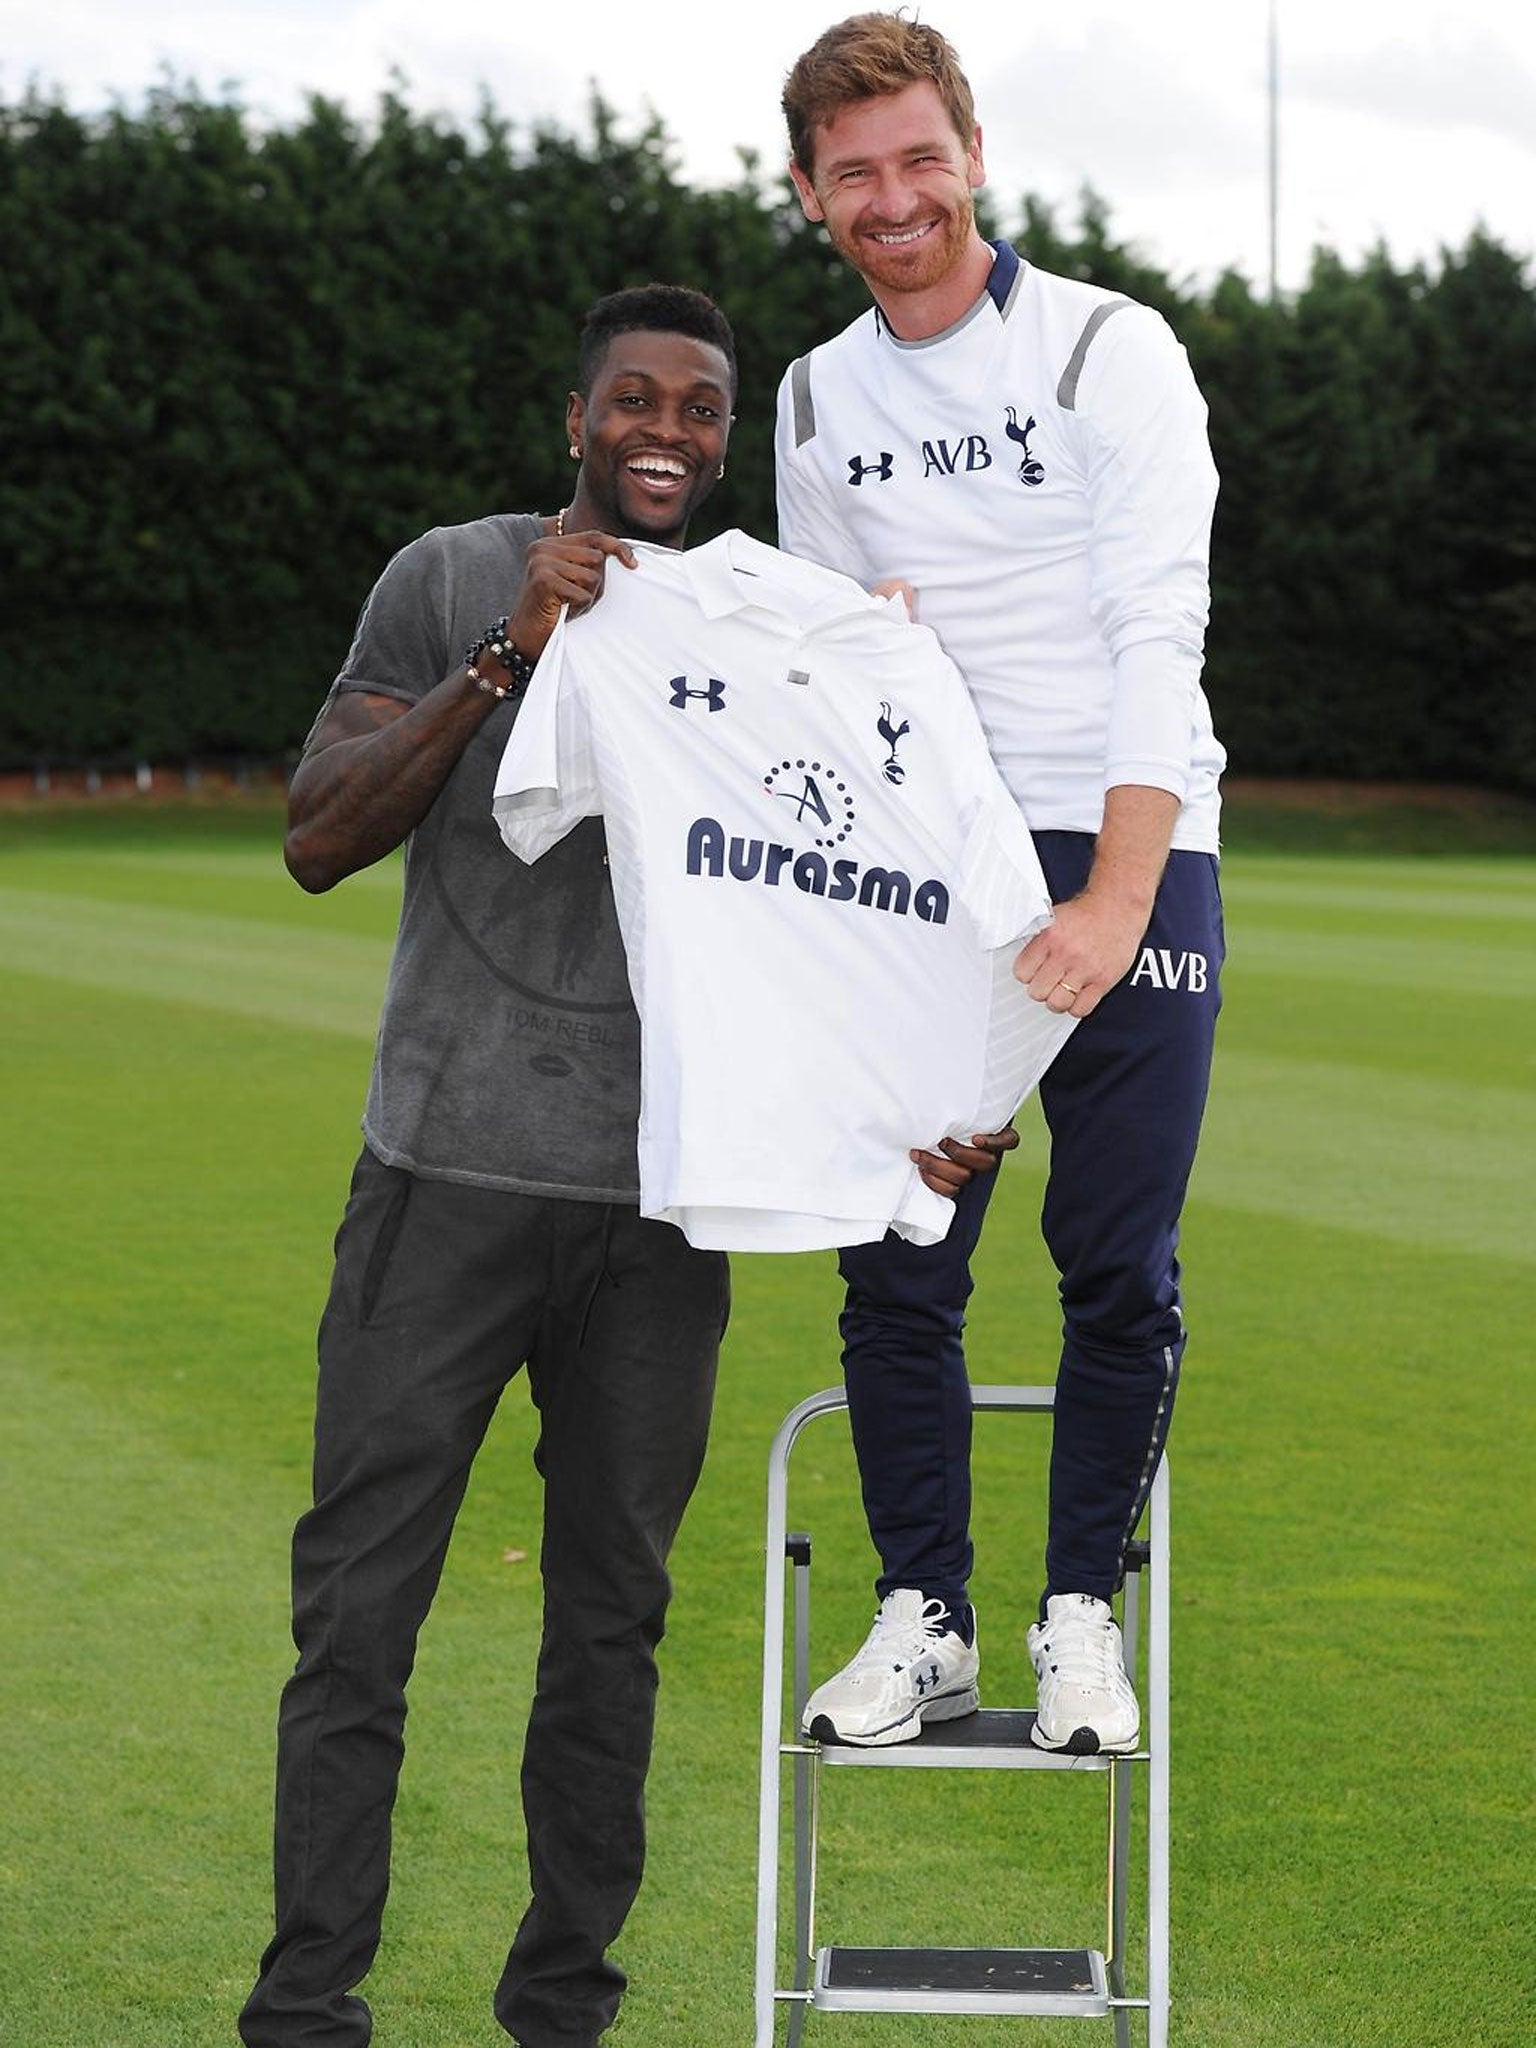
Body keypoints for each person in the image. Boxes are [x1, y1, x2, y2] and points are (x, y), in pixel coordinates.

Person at [239, 286, 741, 2048]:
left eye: (700, 408)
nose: (667, 430)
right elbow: (318, 834)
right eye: (636, 400)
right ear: (578, 419)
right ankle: (308, 2009)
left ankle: (563, 2012)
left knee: (612, 1627)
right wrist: (511, 649)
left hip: (661, 1212)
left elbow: (849, 906)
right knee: (358, 1618)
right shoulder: (452, 575)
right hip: (439, 1179)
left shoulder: (752, 629)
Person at [775, 13, 1226, 1755]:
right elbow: (839, 675)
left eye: (919, 158)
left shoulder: (1111, 347)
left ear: (973, 153)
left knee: (1114, 1262)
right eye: (855, 174)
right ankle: (929, 1617)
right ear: (812, 195)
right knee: (901, 1254)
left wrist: (1113, 905)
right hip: (927, 877)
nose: (896, 200)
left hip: (1130, 846)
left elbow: (1155, 631)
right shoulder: (816, 395)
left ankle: (1078, 1620)